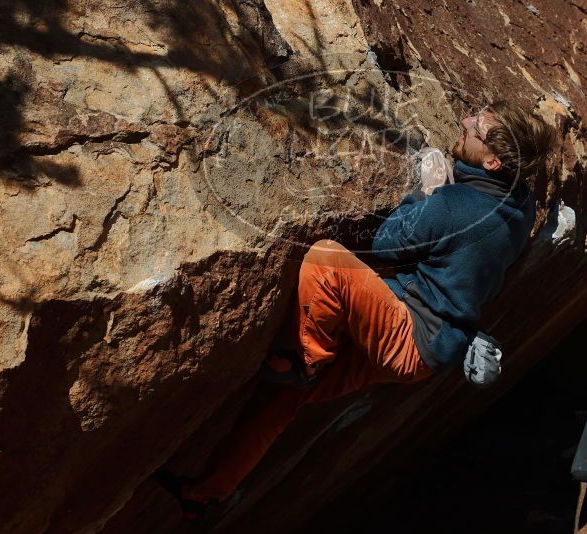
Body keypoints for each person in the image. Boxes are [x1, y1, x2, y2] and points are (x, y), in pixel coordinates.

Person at [156, 99, 556, 520]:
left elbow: (386, 242)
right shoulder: (521, 203)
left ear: (493, 162)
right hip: (428, 348)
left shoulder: (455, 206)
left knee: (327, 261)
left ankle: (306, 359)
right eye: (478, 112)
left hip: (407, 332)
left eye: (474, 126)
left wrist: (428, 191)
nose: (464, 119)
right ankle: (208, 492)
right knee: (283, 394)